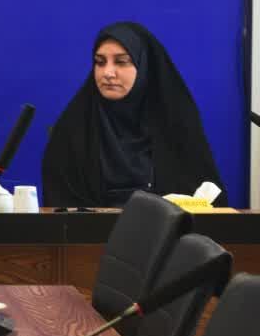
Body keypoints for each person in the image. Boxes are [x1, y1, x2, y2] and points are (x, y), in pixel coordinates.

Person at [41, 21, 226, 207]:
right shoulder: (73, 129)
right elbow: (61, 208)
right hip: (91, 226)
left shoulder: (175, 124)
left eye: (121, 62)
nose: (108, 73)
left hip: (167, 225)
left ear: (144, 67)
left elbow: (208, 204)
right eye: (100, 62)